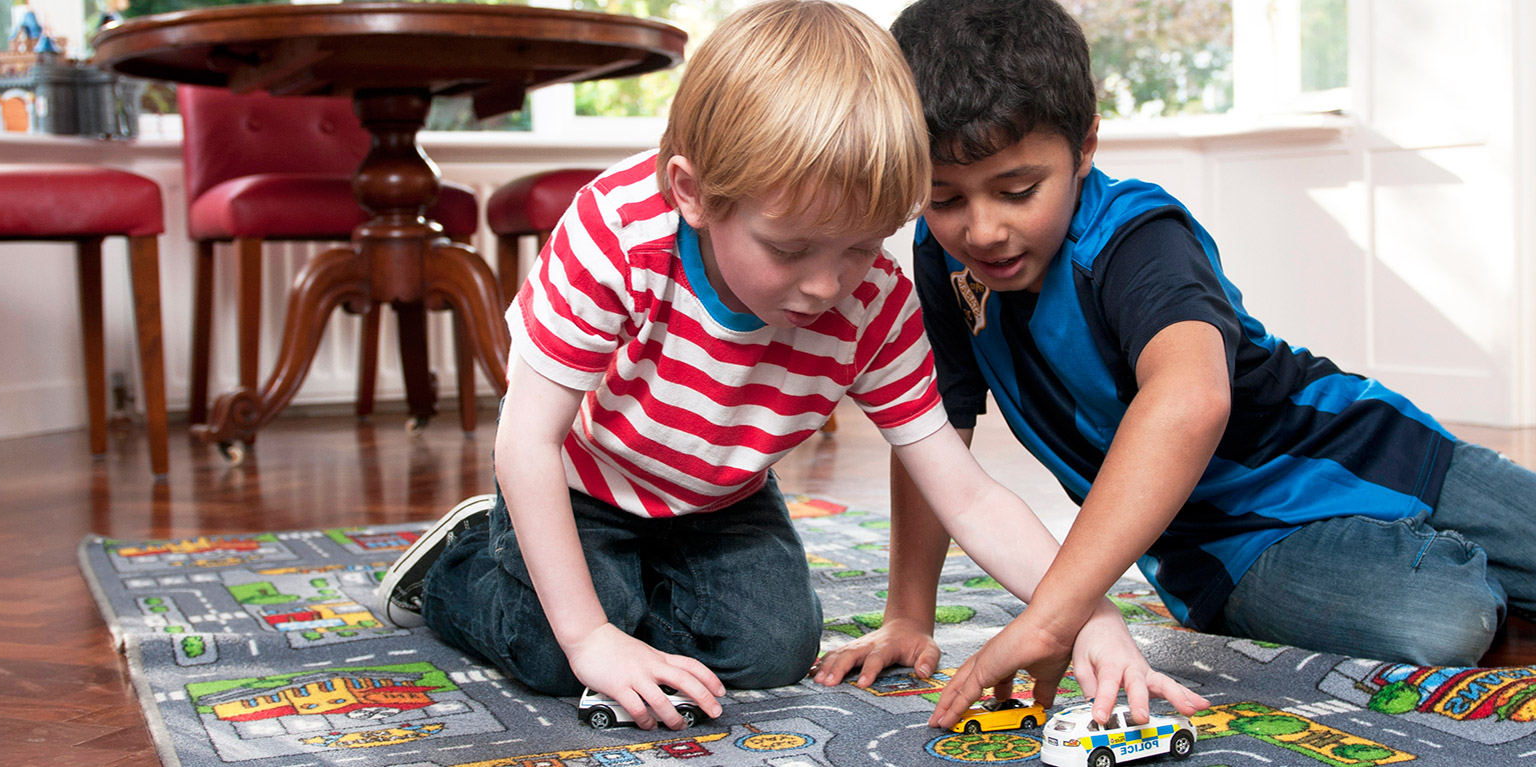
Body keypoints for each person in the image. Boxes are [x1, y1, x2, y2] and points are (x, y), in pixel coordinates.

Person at [376, 0, 1205, 733]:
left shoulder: (873, 298)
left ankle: (623, 593)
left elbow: (969, 490)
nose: (824, 284)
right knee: (563, 649)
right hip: (584, 483)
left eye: (856, 248)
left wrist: (1086, 617)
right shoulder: (618, 234)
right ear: (694, 194)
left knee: (773, 648)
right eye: (789, 249)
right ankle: (458, 565)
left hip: (722, 498)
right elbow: (527, 441)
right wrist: (592, 636)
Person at [814, 0, 1536, 731]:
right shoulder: (942, 264)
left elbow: (1190, 399)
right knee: (1446, 620)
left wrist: (1053, 616)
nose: (984, 229)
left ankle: (1440, 550)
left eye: (1018, 190)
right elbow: (932, 434)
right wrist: (908, 611)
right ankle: (1447, 566)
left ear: (1086, 143)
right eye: (944, 199)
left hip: (1368, 449)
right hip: (1225, 551)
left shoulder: (1135, 238)